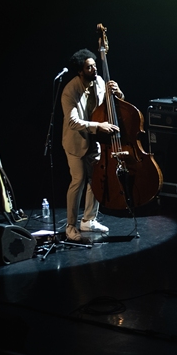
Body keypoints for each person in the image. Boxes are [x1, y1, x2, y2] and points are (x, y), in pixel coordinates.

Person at [61, 49, 122, 241]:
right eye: (89, 67)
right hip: (76, 143)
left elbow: (111, 105)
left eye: (94, 65)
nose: (94, 69)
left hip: (95, 140)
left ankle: (89, 219)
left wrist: (118, 93)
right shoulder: (70, 91)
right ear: (80, 71)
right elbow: (73, 122)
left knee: (96, 180)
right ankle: (70, 226)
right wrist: (98, 126)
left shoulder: (100, 82)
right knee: (78, 180)